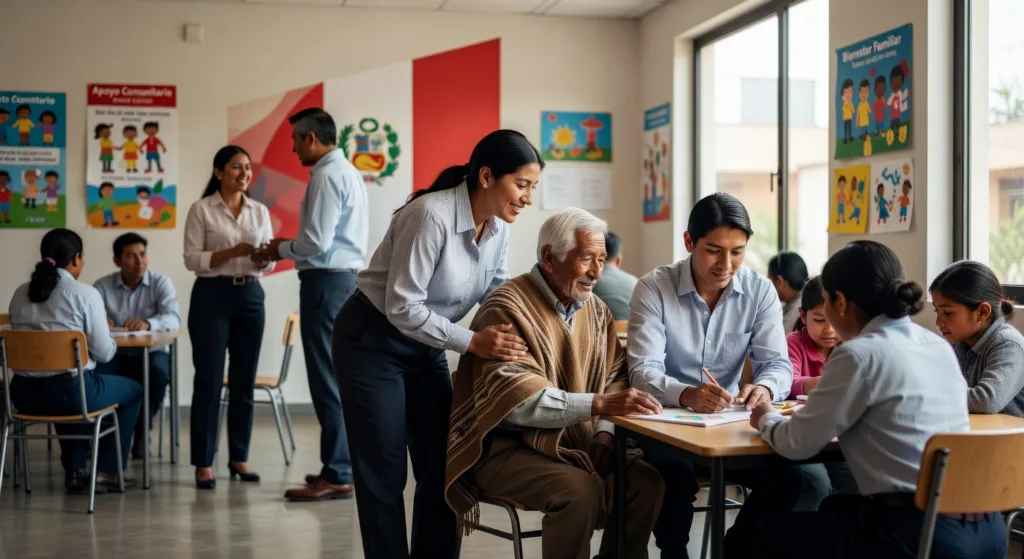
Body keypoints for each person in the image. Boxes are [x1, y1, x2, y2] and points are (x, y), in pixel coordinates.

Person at [334, 129, 542, 559]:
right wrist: (472, 342)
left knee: (445, 464)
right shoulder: (431, 215)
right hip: (372, 340)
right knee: (384, 473)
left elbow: (496, 291)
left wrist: (524, 329)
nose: (527, 198)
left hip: (425, 344)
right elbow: (402, 307)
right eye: (521, 185)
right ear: (486, 176)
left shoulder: (497, 228)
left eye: (533, 188)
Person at [746, 241, 1006, 559]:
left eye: (826, 301)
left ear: (839, 301)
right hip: (986, 528)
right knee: (835, 507)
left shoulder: (857, 354)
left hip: (917, 534)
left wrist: (765, 416)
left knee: (758, 536)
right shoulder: (934, 344)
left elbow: (797, 443)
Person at [445, 209, 664, 559]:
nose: (597, 272)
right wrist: (598, 406)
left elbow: (616, 377)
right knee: (578, 492)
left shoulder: (595, 310)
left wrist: (605, 432)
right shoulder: (506, 307)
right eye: (586, 258)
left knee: (646, 483)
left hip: (578, 441)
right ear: (549, 257)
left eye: (602, 259)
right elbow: (517, 402)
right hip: (505, 447)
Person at [627, 193, 828, 558]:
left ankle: (735, 550)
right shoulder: (653, 287)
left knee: (795, 481)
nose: (726, 264)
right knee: (676, 477)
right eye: (714, 250)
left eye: (737, 251)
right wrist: (687, 393)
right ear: (689, 242)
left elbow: (777, 365)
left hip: (728, 426)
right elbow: (642, 371)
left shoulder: (760, 290)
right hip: (665, 426)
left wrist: (764, 388)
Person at [258, 108, 368, 501]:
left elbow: (316, 243)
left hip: (326, 284)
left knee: (327, 379)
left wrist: (280, 247)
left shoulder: (326, 176)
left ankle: (338, 472)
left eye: (294, 140)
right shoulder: (347, 172)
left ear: (310, 139)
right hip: (341, 281)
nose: (292, 148)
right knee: (336, 377)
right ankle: (339, 467)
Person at [7, 228, 141, 493]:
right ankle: (107, 471)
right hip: (70, 394)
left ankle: (76, 470)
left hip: (22, 395)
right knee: (132, 390)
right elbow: (105, 354)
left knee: (69, 383)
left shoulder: (19, 294)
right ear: (77, 258)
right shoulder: (84, 294)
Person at [183, 145, 274, 490]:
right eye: (236, 167)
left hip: (251, 294)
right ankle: (204, 462)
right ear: (219, 171)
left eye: (248, 168)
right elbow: (192, 259)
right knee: (207, 380)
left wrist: (265, 257)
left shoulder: (259, 210)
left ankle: (239, 456)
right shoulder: (201, 209)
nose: (244, 173)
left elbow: (269, 258)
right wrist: (230, 252)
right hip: (211, 296)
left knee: (243, 381)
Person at [93, 233, 180, 459]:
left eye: (142, 254)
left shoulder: (161, 282)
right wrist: (102, 323)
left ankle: (142, 432)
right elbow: (92, 323)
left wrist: (149, 323)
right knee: (93, 376)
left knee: (158, 374)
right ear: (117, 260)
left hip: (151, 353)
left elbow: (173, 319)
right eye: (131, 256)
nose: (140, 261)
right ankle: (101, 437)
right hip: (114, 354)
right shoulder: (101, 287)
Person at [930, 260, 1024, 417]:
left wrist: (930, 395)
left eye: (947, 313)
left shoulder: (1008, 344)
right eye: (936, 311)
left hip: (1008, 440)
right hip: (972, 433)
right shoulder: (953, 342)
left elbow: (986, 401)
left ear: (982, 312)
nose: (938, 322)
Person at [787, 276, 838, 397]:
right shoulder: (792, 344)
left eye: (835, 320)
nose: (829, 329)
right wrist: (811, 384)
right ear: (803, 316)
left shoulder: (850, 344)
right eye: (820, 320)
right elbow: (785, 381)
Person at [590, 231, 639, 321]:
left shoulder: (589, 283)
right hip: (630, 334)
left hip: (601, 333)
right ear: (618, 260)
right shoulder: (636, 282)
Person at [767, 251, 808, 333]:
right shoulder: (799, 300)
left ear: (779, 281)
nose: (767, 287)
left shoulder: (797, 313)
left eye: (769, 280)